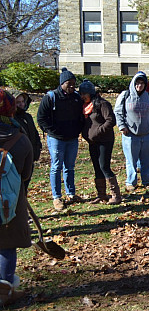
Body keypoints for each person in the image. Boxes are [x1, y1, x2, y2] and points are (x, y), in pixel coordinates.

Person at [0, 89, 33, 306]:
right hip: (8, 201)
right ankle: (5, 290)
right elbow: (26, 174)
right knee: (6, 243)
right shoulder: (19, 138)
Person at [37, 67, 84, 211]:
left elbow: (81, 116)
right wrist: (52, 131)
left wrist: (78, 130)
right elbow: (41, 118)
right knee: (56, 167)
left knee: (69, 167)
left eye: (73, 83)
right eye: (68, 83)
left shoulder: (76, 98)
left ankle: (71, 193)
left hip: (72, 138)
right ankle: (57, 197)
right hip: (56, 139)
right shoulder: (51, 97)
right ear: (62, 83)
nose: (71, 86)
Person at [115, 71, 149, 191]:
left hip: (147, 134)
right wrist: (122, 127)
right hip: (130, 135)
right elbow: (118, 112)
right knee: (131, 161)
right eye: (137, 83)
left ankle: (147, 181)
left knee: (147, 160)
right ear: (133, 83)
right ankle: (131, 182)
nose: (139, 86)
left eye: (142, 83)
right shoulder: (125, 95)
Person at [79, 80, 121, 205]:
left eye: (84, 94)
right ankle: (101, 195)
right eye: (81, 94)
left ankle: (116, 195)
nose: (82, 96)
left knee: (104, 166)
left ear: (91, 93)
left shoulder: (102, 104)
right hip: (92, 142)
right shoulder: (85, 106)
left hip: (105, 141)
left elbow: (111, 121)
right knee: (97, 168)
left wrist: (97, 131)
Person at [11, 89, 42, 190]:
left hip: (30, 158)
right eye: (18, 102)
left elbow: (35, 135)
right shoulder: (11, 120)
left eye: (22, 101)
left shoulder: (28, 117)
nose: (21, 104)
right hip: (18, 160)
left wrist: (37, 150)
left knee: (25, 187)